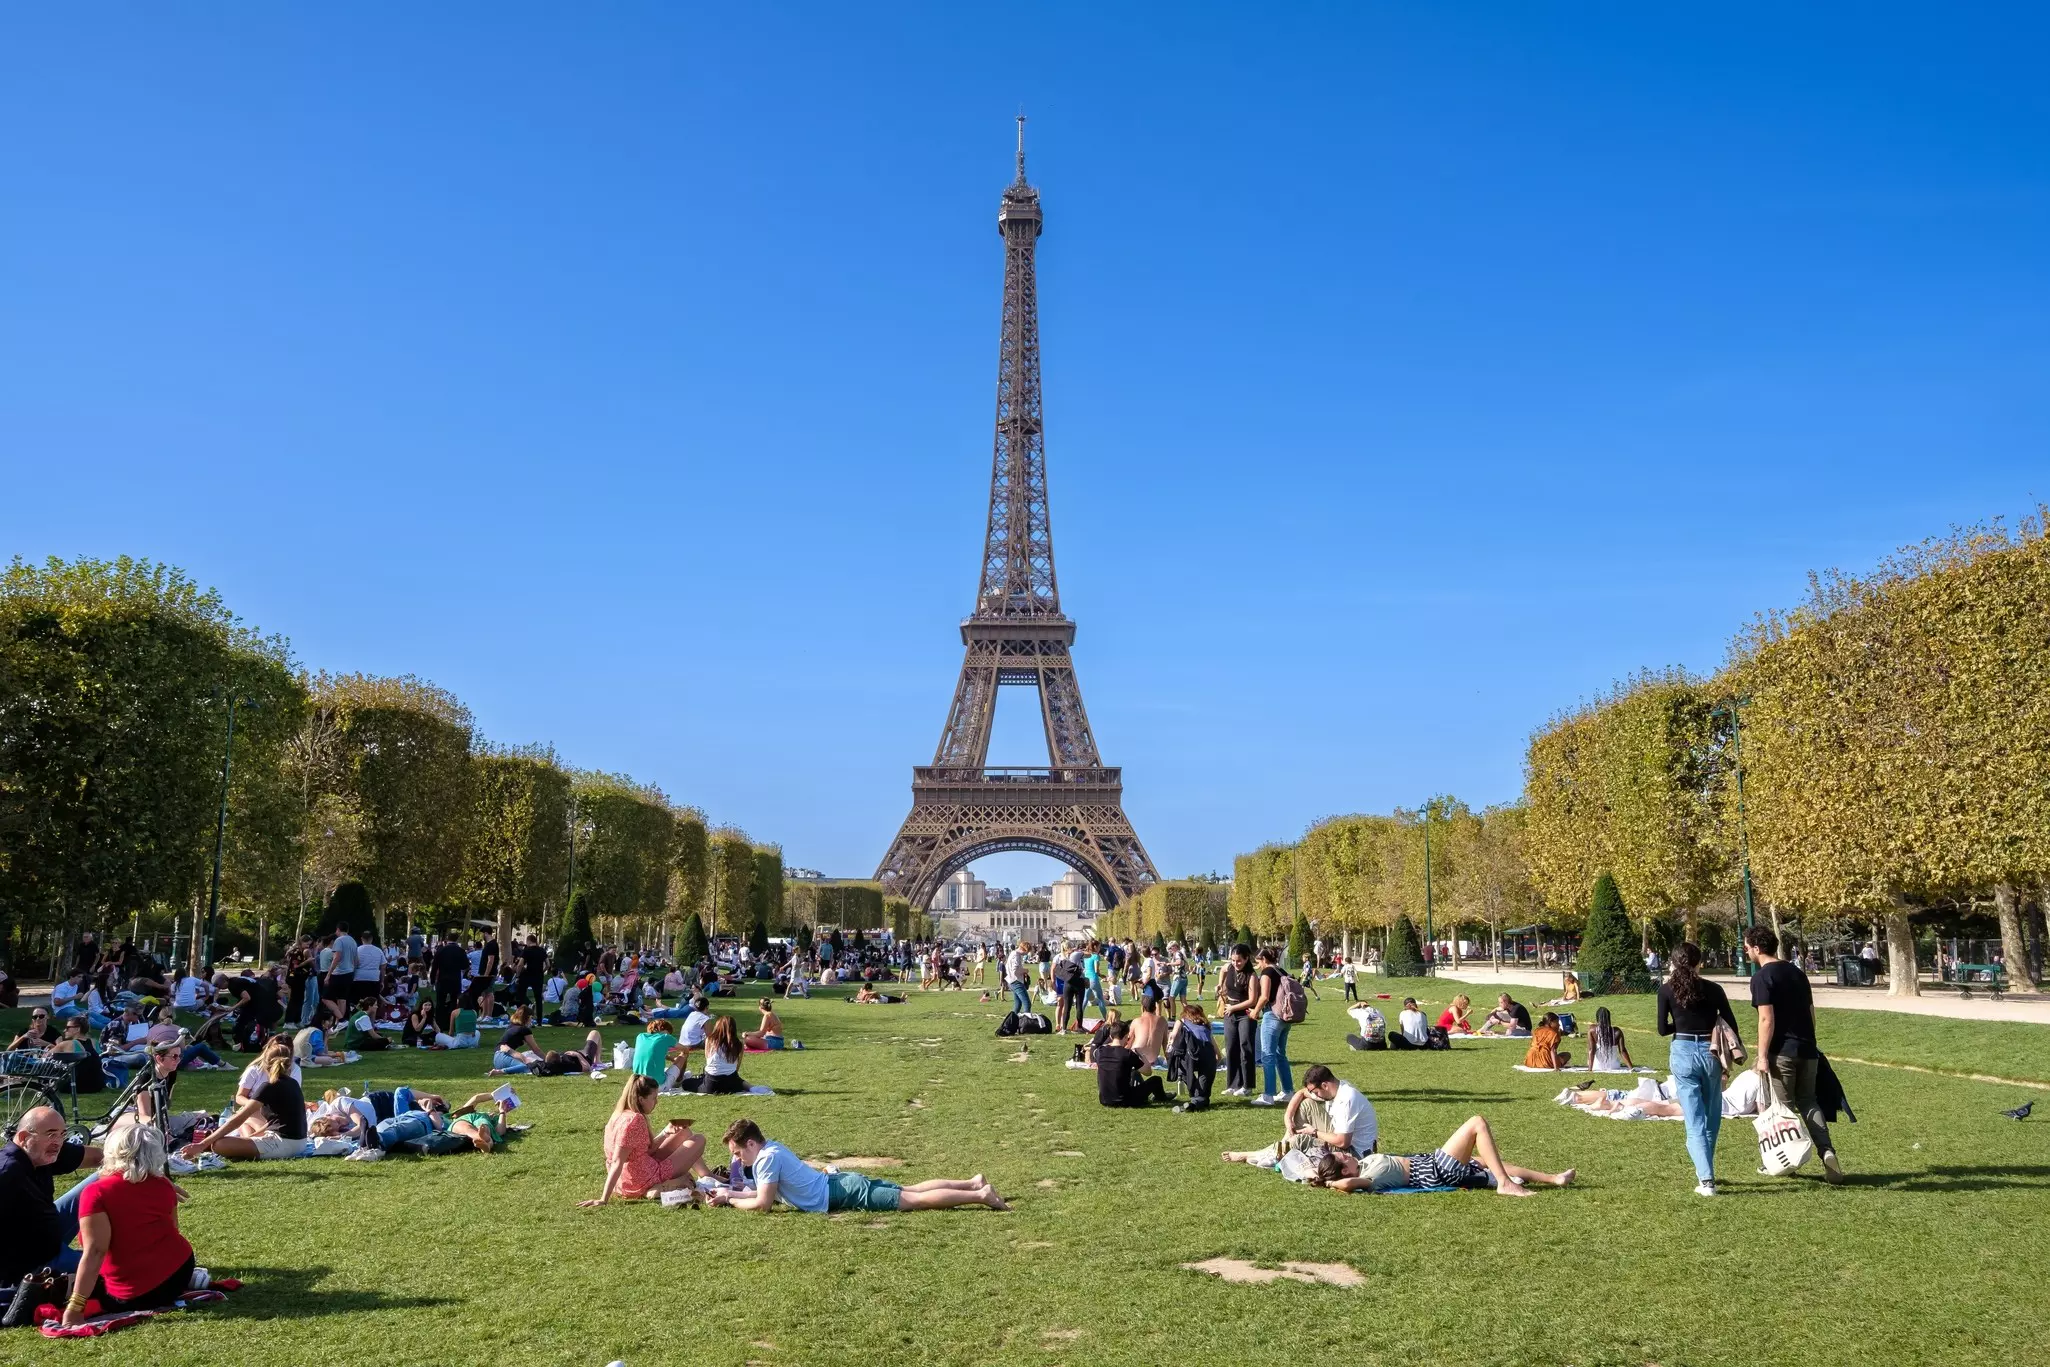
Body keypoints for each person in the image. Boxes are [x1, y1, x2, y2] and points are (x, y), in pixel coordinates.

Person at [63, 1123, 207, 1327]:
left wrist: (75, 1308)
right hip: (179, 1271)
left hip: (131, 1293)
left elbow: (95, 1251)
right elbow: (172, 1230)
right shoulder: (164, 1184)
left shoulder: (96, 1193)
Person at [708, 1119, 1007, 1213]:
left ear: (750, 1144)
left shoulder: (766, 1159)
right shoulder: (770, 1149)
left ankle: (981, 1195)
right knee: (909, 1189)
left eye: (736, 1153)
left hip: (844, 1192)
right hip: (842, 1185)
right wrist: (727, 1195)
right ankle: (972, 1183)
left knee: (913, 1200)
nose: (737, 1160)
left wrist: (732, 1199)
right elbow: (764, 1194)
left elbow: (763, 1204)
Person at [1745, 925, 1844, 1183]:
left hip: (1782, 1052)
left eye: (1747, 947)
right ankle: (1827, 1152)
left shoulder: (1762, 978)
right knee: (1809, 1101)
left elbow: (1766, 1019)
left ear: (1757, 948)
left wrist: (1763, 1055)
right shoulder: (1797, 973)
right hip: (1807, 1048)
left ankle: (1785, 1159)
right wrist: (1810, 1041)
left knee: (1783, 1108)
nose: (1746, 951)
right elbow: (1811, 1013)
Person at [1304, 1115, 1574, 1198]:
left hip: (1433, 1164)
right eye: (1342, 1160)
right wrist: (1330, 1183)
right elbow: (1348, 1185)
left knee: (1486, 1159)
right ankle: (1504, 1184)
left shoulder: (1362, 1163)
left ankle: (1553, 1179)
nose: (1344, 1155)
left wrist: (1319, 1174)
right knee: (1476, 1123)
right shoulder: (1366, 1178)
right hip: (1436, 1171)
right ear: (1346, 1172)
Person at [1657, 941, 1743, 1197]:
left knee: (1694, 1119)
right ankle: (1707, 1169)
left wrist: (1682, 1025)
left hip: (1683, 1049)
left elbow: (1663, 1029)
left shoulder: (1666, 990)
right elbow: (1731, 1024)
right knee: (1712, 1114)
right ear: (1699, 962)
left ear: (1673, 961)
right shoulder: (1714, 989)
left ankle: (1706, 1178)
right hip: (1710, 1050)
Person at [1, 1108, 104, 1292]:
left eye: (62, 1134)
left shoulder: (43, 1151)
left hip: (46, 1227)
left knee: (105, 1175)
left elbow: (100, 1157)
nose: (58, 1142)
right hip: (36, 1259)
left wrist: (148, 1171)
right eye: (51, 1134)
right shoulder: (7, 1172)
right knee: (115, 1269)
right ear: (24, 1137)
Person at [1222, 1064, 1378, 1171]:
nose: (1315, 1094)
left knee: (1299, 1140)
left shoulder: (1347, 1099)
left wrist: (1314, 1132)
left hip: (1354, 1153)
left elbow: (1343, 1142)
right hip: (1340, 1136)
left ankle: (1256, 1154)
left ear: (1324, 1085)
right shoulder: (1337, 1087)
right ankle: (1279, 1150)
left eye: (1316, 1091)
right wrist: (1288, 1117)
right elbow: (1302, 1093)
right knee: (1306, 1104)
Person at [581, 1076, 706, 1205]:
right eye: (654, 1098)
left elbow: (641, 1150)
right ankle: (673, 1183)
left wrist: (665, 1133)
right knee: (699, 1139)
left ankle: (706, 1175)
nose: (656, 1102)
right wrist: (603, 1199)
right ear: (641, 1099)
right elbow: (618, 1160)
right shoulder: (635, 1120)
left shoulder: (619, 1115)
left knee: (683, 1132)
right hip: (641, 1179)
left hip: (625, 1179)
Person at [1093, 1020, 1170, 1108]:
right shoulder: (1127, 1054)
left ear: (1110, 1036)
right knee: (1156, 1080)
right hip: (1125, 1100)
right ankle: (1161, 1097)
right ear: (1126, 1037)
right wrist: (1141, 1054)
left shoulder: (1100, 1052)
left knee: (1134, 1073)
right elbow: (1148, 1072)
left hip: (1104, 1100)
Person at [1250, 946, 1293, 1105]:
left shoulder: (1267, 973)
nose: (1258, 966)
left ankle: (1268, 1094)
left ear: (1264, 960)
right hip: (1285, 1017)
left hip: (1272, 1016)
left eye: (1259, 962)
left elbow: (1264, 997)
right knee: (1280, 1054)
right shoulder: (1281, 971)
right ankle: (1288, 1091)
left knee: (1267, 1055)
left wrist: (1255, 1012)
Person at [1216, 943, 1257, 1097]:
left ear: (1246, 959)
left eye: (1239, 960)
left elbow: (1253, 1000)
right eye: (1233, 960)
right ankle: (1233, 1084)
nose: (1235, 963)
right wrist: (1220, 984)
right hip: (1230, 1012)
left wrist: (1234, 1008)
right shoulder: (1230, 968)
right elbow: (1223, 969)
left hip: (1245, 1013)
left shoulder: (1251, 976)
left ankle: (1247, 1085)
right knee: (1231, 1047)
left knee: (1245, 1048)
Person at [1165, 1003, 1218, 1112]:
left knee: (1180, 1069)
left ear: (1185, 1013)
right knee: (1204, 1091)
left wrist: (1169, 1049)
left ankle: (1194, 1103)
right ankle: (1197, 1101)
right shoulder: (1206, 1026)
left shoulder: (1181, 1021)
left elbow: (1173, 1035)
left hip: (1192, 1055)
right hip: (1208, 1054)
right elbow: (1216, 1051)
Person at [694, 1015, 750, 1095]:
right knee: (737, 1080)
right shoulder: (739, 1044)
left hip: (711, 1083)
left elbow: (708, 1060)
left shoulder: (709, 1040)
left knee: (687, 1083)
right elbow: (736, 1067)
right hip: (731, 1084)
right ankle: (749, 1086)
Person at [632, 1020, 681, 1085]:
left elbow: (651, 1053)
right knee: (684, 1054)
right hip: (656, 1086)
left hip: (638, 1083)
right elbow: (685, 1049)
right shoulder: (665, 1037)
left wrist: (671, 1058)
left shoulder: (640, 1037)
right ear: (664, 1030)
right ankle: (680, 1079)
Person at [1587, 1007, 1634, 1071]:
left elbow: (1591, 1050)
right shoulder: (1617, 1031)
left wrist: (1590, 1069)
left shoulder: (1592, 1030)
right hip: (1614, 1065)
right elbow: (1622, 1051)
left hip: (1597, 1066)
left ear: (1597, 1018)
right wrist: (1631, 1068)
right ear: (1609, 1018)